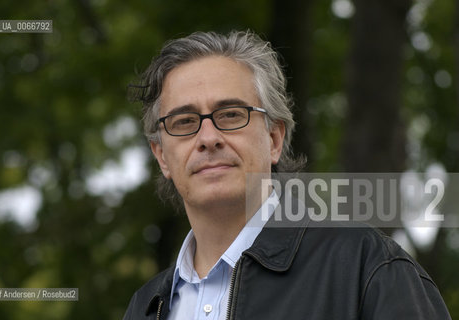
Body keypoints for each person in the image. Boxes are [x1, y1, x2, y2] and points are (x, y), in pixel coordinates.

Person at [123, 31, 451, 319]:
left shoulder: (367, 269)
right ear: (162, 157)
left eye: (231, 114)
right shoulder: (145, 307)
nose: (208, 138)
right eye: (183, 122)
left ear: (274, 139)